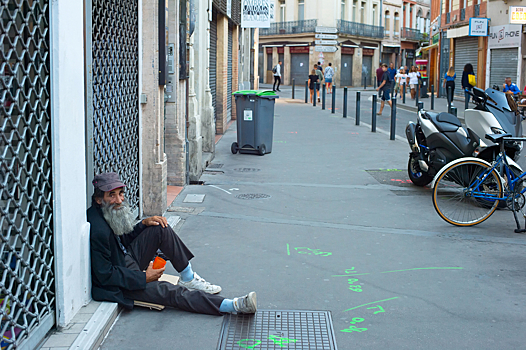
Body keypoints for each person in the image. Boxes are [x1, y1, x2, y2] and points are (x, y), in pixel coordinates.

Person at [88, 172, 257, 315]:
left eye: (121, 193)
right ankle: (231, 305)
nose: (119, 200)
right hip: (121, 283)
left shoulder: (106, 212)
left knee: (160, 227)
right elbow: (105, 275)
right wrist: (144, 277)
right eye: (112, 195)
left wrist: (143, 224)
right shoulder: (98, 230)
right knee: (169, 292)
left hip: (125, 259)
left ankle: (188, 277)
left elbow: (121, 240)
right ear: (98, 199)